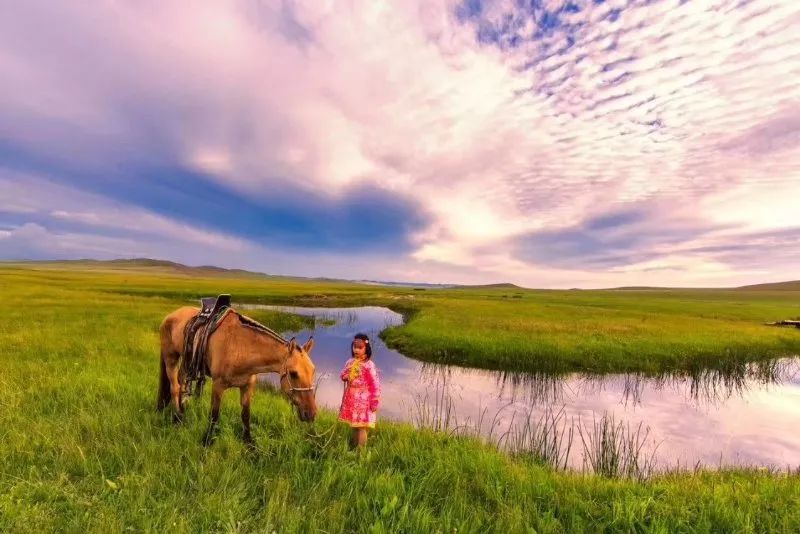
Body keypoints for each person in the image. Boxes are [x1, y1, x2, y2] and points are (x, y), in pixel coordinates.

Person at [338, 333, 381, 449]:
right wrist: (346, 376)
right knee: (354, 425)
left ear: (366, 348)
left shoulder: (369, 365)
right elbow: (342, 375)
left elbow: (375, 384)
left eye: (360, 347)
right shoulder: (349, 362)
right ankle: (354, 446)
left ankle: (361, 453)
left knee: (362, 426)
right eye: (354, 347)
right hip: (351, 398)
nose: (356, 350)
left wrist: (374, 401)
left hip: (364, 401)